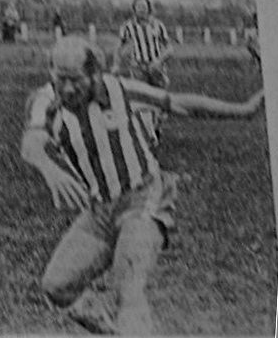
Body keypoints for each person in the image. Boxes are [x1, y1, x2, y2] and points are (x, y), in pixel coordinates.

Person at [21, 36, 264, 335]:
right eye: (60, 79)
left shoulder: (120, 90)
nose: (68, 89)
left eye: (76, 80)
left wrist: (244, 110)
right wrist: (48, 168)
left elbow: (179, 103)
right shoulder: (46, 100)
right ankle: (115, 332)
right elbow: (31, 142)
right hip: (99, 211)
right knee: (57, 287)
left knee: (128, 290)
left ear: (94, 74)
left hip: (144, 198)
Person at [112, 0, 174, 146]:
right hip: (138, 68)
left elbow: (170, 48)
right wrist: (116, 64)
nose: (142, 10)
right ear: (134, 9)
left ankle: (156, 128)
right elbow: (119, 47)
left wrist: (159, 61)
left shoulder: (158, 25)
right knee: (143, 101)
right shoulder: (128, 26)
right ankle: (150, 134)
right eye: (138, 7)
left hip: (157, 69)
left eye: (144, 7)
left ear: (149, 8)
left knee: (161, 102)